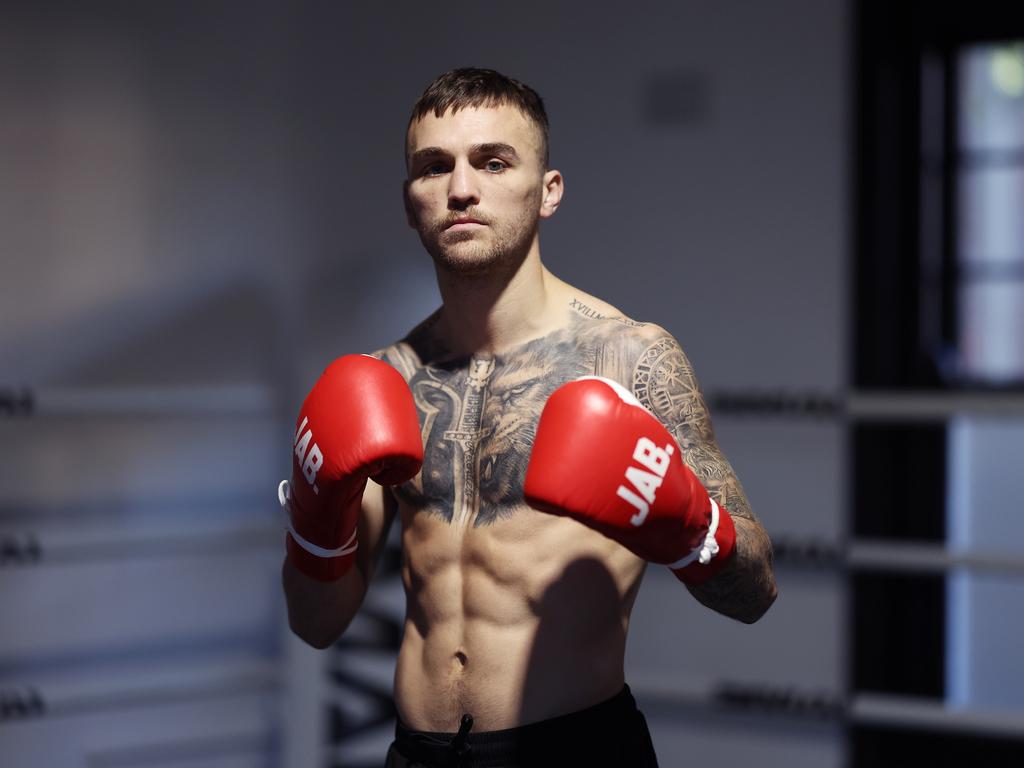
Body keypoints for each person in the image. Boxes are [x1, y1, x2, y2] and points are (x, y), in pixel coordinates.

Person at [279, 67, 777, 767]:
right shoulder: (387, 381)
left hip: (574, 750)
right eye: (434, 167)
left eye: (492, 161)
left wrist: (688, 522)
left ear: (548, 192)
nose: (460, 188)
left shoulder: (629, 357)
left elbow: (754, 593)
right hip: (419, 753)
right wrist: (313, 517)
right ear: (409, 200)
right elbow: (316, 624)